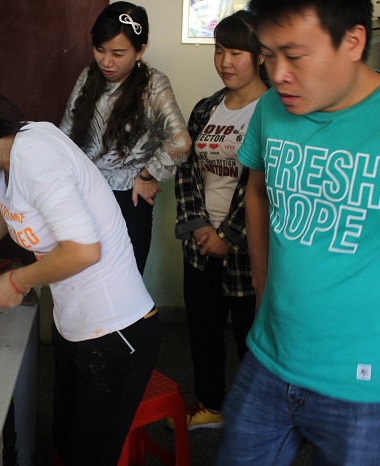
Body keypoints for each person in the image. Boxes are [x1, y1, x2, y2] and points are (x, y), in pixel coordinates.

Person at [213, 0, 380, 464]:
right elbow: (257, 189)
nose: (278, 74)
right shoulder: (273, 108)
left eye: (296, 56)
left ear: (353, 41)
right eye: (268, 55)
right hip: (267, 358)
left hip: (358, 385)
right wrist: (261, 279)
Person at [0, 70, 160, 466]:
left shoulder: (35, 155)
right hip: (77, 324)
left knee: (88, 457)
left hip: (116, 329)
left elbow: (83, 251)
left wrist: (17, 281)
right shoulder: (8, 155)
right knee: (65, 440)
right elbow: (7, 209)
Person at [172, 10, 267, 430]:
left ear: (260, 56)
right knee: (203, 330)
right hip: (201, 243)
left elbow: (266, 186)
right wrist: (199, 225)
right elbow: (186, 169)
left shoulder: (274, 110)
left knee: (252, 337)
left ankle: (257, 418)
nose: (225, 62)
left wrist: (228, 236)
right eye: (219, 51)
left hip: (248, 250)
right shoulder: (207, 108)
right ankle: (211, 403)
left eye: (236, 53)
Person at [59, 1, 190, 274]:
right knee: (82, 279)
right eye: (100, 49)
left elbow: (181, 141)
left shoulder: (154, 85)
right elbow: (65, 136)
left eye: (118, 53)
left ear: (140, 50)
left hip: (128, 200)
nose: (106, 62)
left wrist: (147, 175)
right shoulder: (88, 77)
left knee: (124, 281)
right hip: (83, 195)